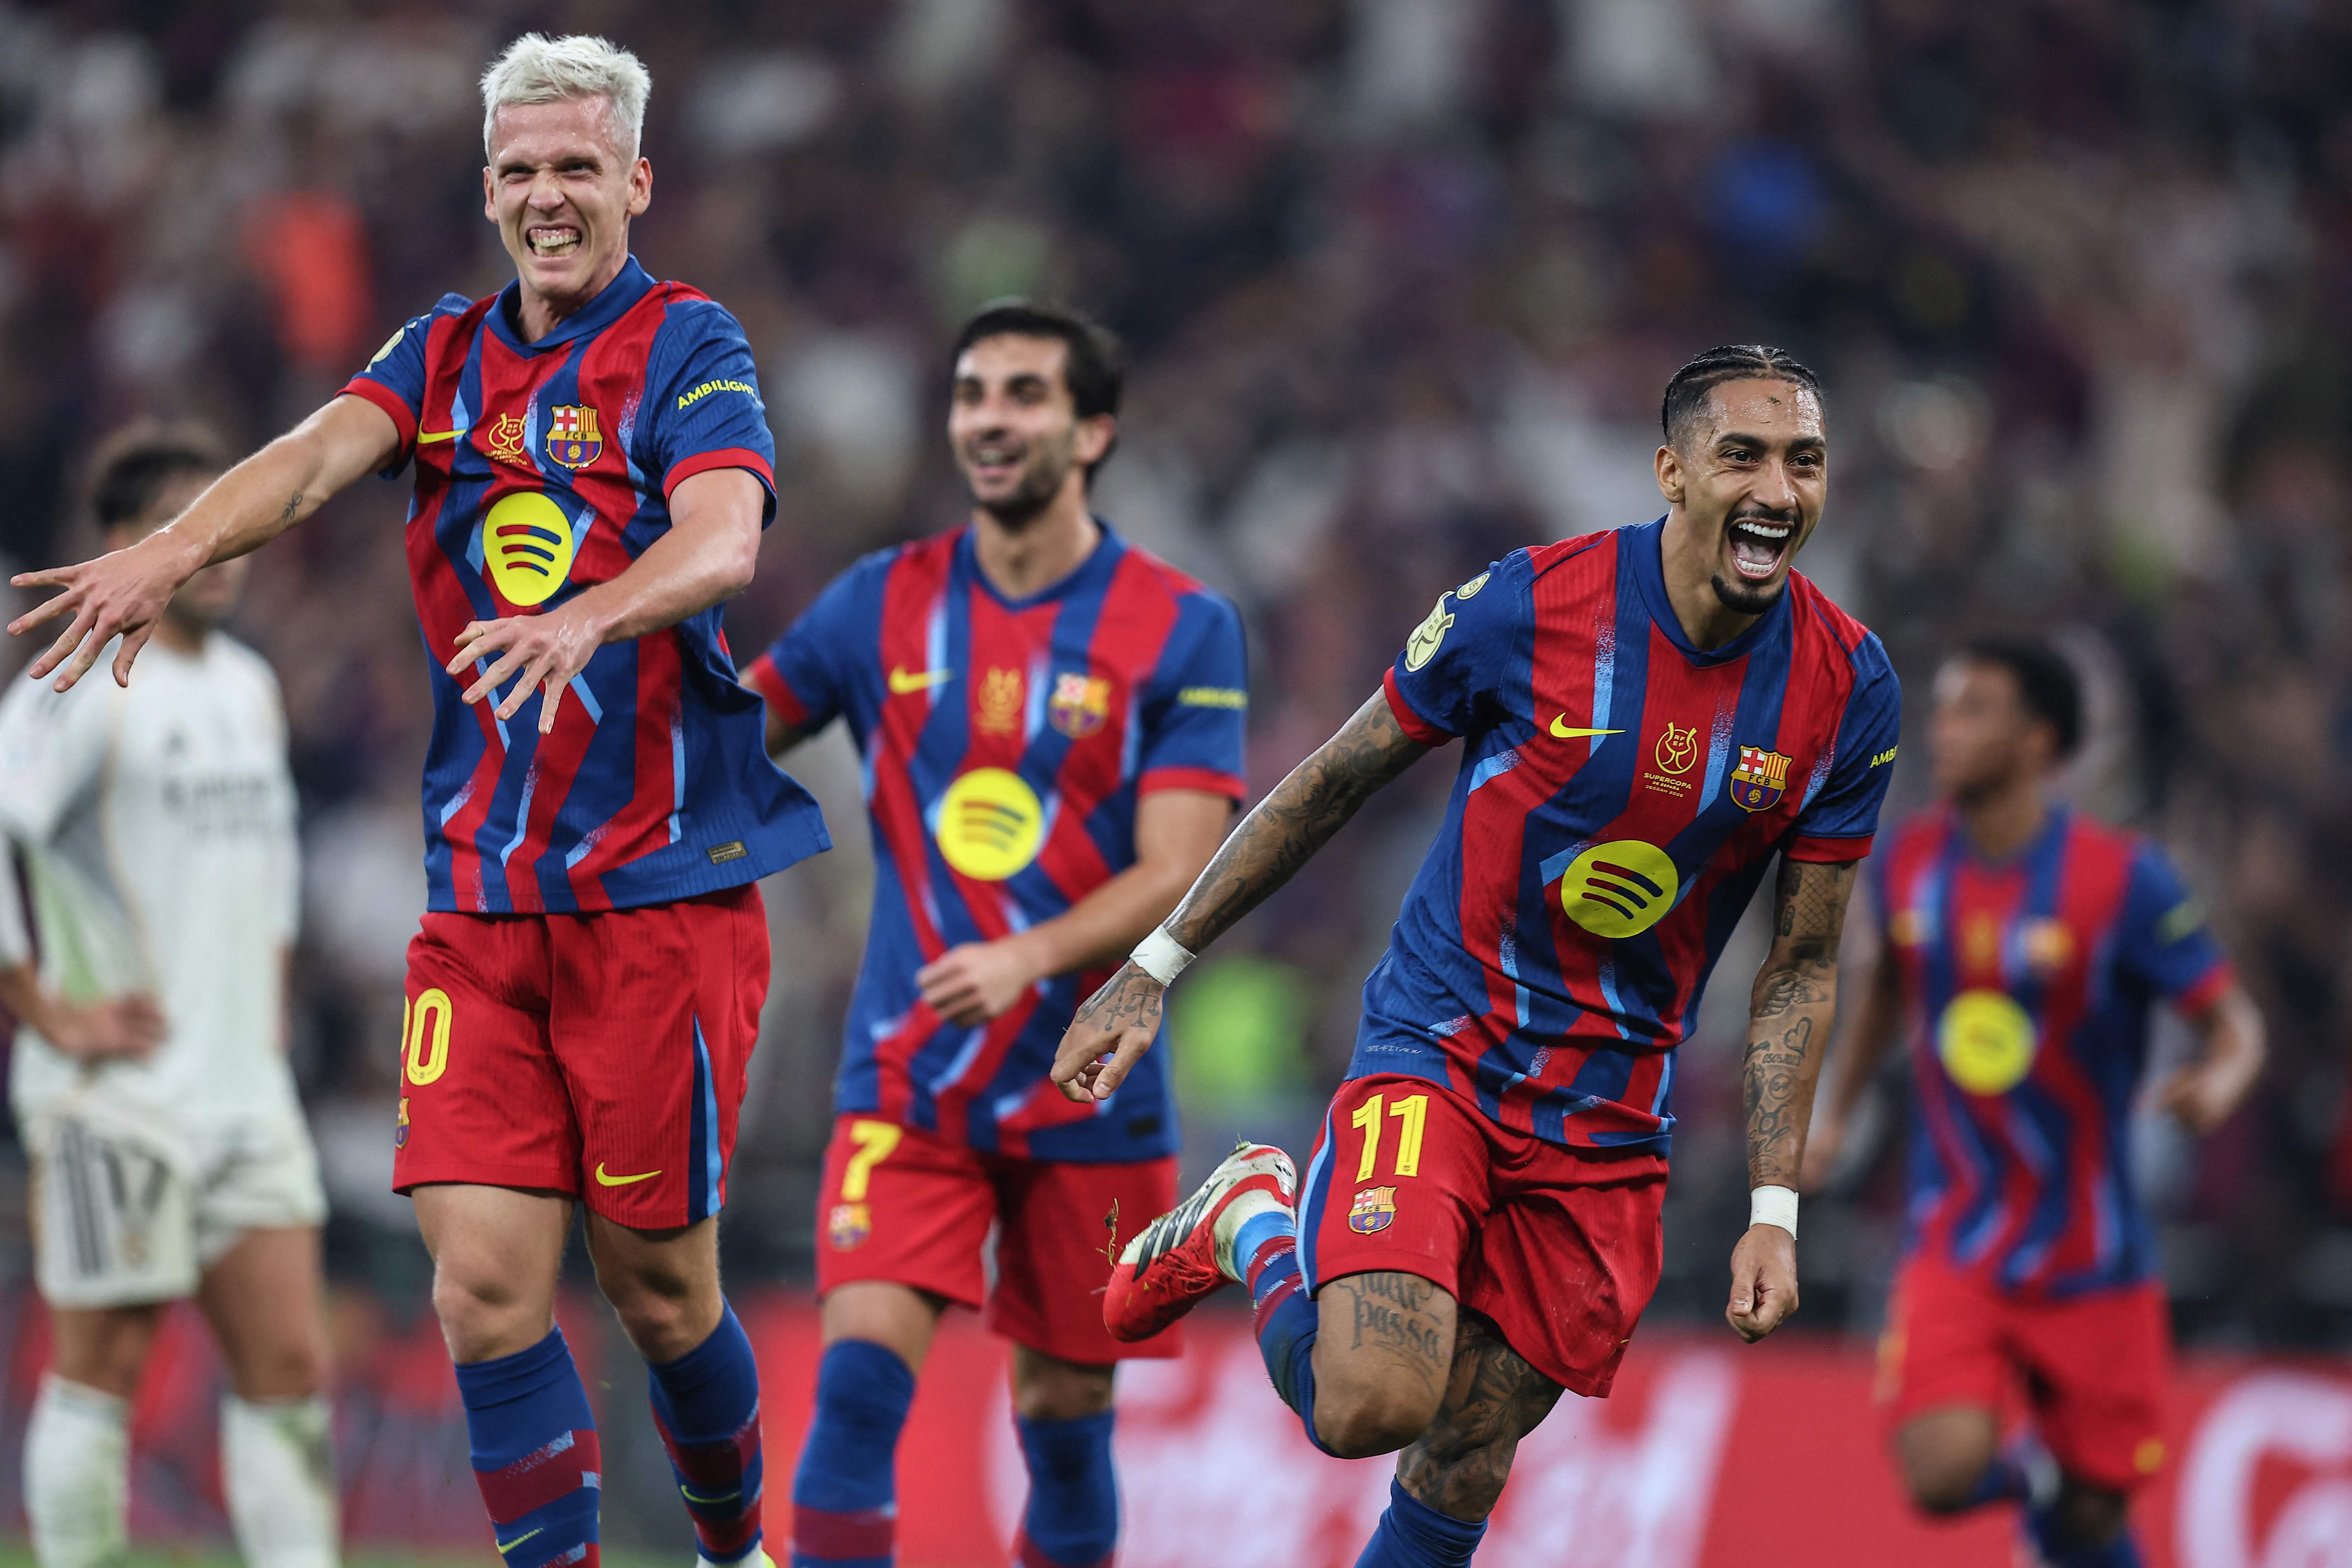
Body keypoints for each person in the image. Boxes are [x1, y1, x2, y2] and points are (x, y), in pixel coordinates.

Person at [8, 35, 831, 1568]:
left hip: (658, 893)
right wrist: (177, 550)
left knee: (661, 1292)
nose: (547, 197)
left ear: (636, 182)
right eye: (519, 172)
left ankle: (733, 1549)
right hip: (484, 904)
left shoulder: (690, 347)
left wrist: (590, 614)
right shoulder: (441, 355)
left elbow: (724, 542)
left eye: (578, 167)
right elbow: (320, 459)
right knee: (480, 1292)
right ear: (488, 189)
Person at [1051, 344, 1902, 1567]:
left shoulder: (1846, 685)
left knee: (1465, 1453)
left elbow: (1802, 960)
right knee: (1367, 1404)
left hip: (1609, 1116)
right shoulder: (1530, 605)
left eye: (1804, 461)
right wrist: (1158, 961)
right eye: (1743, 455)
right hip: (1443, 1054)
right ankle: (1249, 1212)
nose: (1777, 488)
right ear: (1671, 471)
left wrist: (1773, 1207)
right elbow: (1337, 776)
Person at [741, 301, 1246, 1568]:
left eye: (1022, 394)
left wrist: (1030, 956)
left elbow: (1183, 867)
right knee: (857, 1387)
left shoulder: (1180, 626)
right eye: (971, 393)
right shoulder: (882, 603)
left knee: (1066, 1420)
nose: (987, 419)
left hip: (1093, 1087)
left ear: (1091, 431)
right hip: (911, 1075)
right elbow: (728, 740)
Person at [1803, 637, 2263, 1568]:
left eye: (1973, 708)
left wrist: (2218, 1079)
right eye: (1943, 706)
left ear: (2035, 740)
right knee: (1937, 1472)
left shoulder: (2123, 879)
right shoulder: (1908, 865)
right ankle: (2041, 1482)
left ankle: (2064, 1503)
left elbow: (2235, 1023)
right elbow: (1883, 991)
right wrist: (1835, 1113)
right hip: (1958, 1237)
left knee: (2097, 1518)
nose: (1943, 728)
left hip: (2093, 1250)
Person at [0, 424, 335, 1568]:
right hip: (117, 1097)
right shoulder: (75, 674)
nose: (216, 550)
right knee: (103, 1368)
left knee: (289, 1368)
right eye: (184, 526)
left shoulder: (252, 685)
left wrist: (271, 1011)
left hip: (245, 1093)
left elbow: (276, 872)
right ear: (116, 545)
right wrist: (48, 1010)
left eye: (224, 521)